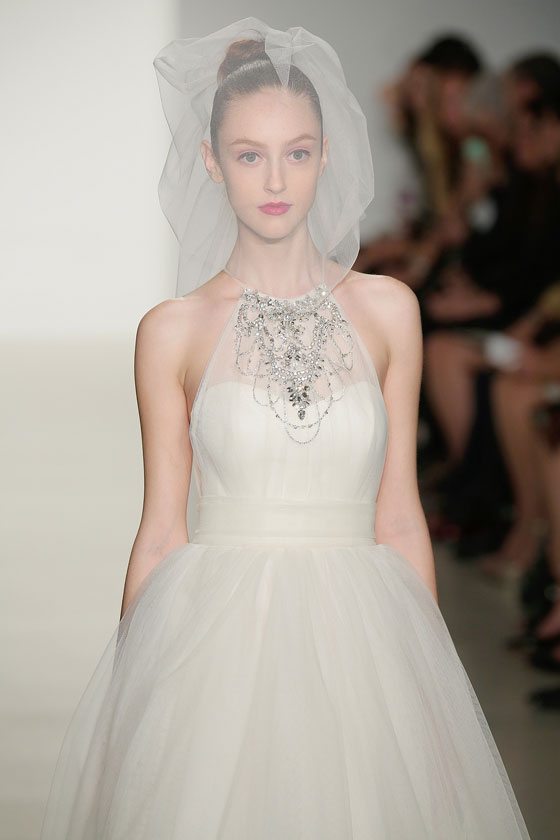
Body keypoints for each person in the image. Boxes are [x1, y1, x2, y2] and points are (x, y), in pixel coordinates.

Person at [39, 18, 531, 838]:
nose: (275, 179)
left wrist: (433, 696)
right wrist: (129, 708)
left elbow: (400, 516)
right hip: (215, 650)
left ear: (326, 155)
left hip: (367, 645)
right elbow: (160, 530)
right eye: (249, 155)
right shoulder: (172, 330)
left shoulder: (389, 311)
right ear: (210, 161)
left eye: (297, 152)